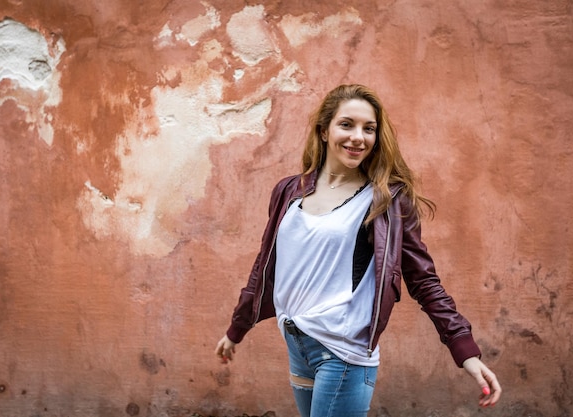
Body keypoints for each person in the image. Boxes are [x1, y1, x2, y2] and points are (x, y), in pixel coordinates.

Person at [215, 84, 502, 416]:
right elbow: (266, 265)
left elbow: (424, 281)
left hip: (343, 353)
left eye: (369, 129)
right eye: (347, 124)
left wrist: (464, 350)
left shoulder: (386, 201)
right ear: (324, 131)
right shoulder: (289, 190)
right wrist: (237, 330)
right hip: (297, 343)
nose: (358, 137)